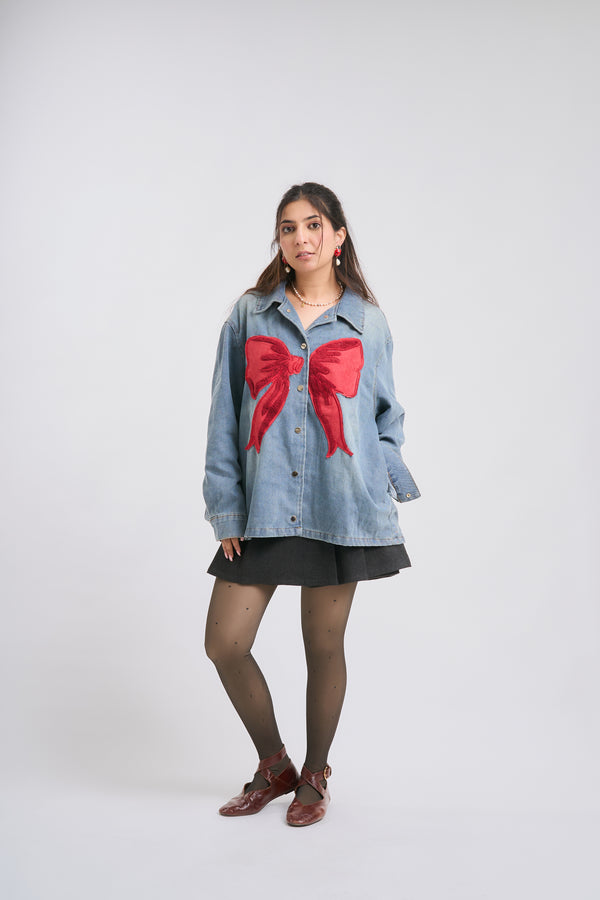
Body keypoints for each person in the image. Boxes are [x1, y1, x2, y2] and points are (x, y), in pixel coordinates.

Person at [202, 182, 421, 827]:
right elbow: (224, 417)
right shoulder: (250, 315)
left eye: (313, 225)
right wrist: (226, 509)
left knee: (323, 646)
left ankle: (315, 775)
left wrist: (384, 482)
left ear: (337, 236)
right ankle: (275, 765)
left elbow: (386, 417)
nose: (301, 237)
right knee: (224, 642)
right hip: (263, 507)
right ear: (280, 240)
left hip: (340, 506)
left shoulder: (369, 322)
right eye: (288, 227)